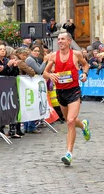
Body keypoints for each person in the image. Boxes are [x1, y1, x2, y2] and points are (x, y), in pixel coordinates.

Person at [43, 32, 91, 166]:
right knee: (70, 120)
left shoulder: (76, 54)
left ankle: (69, 154)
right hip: (60, 92)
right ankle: (83, 125)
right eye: (58, 39)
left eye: (62, 39)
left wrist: (85, 74)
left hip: (74, 91)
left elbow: (86, 65)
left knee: (70, 121)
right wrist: (50, 76)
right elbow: (45, 73)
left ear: (69, 41)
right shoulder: (53, 56)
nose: (60, 41)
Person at [24, 44, 47, 133]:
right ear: (31, 51)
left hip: (31, 84)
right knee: (31, 104)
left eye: (38, 51)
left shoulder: (34, 59)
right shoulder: (30, 59)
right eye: (35, 51)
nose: (37, 53)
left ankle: (29, 126)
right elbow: (39, 70)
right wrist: (45, 61)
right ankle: (30, 126)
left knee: (31, 105)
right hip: (29, 84)